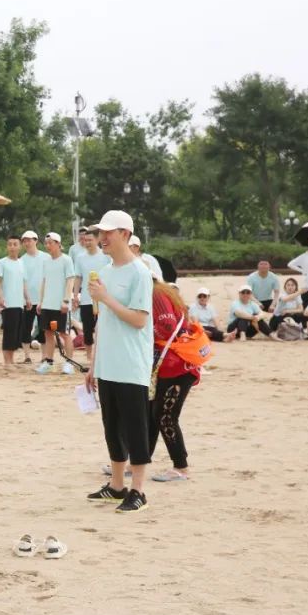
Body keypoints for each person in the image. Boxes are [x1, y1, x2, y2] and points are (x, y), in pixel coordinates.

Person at [84, 210, 153, 513]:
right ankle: (116, 485)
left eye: (108, 233)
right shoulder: (105, 271)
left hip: (131, 363)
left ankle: (138, 490)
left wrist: (107, 297)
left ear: (125, 234)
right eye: (100, 232)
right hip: (107, 363)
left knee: (135, 427)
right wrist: (93, 364)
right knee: (111, 426)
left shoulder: (140, 272)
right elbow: (102, 322)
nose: (102, 238)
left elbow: (139, 319)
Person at [149, 279, 201, 482]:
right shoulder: (163, 292)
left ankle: (181, 467)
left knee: (165, 415)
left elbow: (167, 325)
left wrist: (144, 332)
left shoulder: (155, 294)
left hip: (175, 365)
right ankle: (139, 460)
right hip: (175, 363)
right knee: (152, 412)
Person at [36, 232, 76, 375]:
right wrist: (41, 302)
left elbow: (70, 280)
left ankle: (69, 363)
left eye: (50, 243)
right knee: (48, 333)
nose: (48, 246)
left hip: (61, 305)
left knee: (64, 333)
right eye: (46, 243)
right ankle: (48, 362)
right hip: (48, 304)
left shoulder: (66, 260)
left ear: (58, 244)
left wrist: (66, 300)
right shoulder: (46, 261)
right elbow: (44, 281)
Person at [73, 229, 111, 362]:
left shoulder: (105, 256)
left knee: (102, 328)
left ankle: (101, 355)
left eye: (90, 240)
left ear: (97, 240)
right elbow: (78, 277)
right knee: (87, 328)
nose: (87, 242)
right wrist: (75, 295)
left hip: (103, 299)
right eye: (85, 240)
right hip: (86, 298)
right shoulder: (80, 257)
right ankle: (89, 356)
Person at [0, 235, 30, 365]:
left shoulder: (22, 263)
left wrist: (27, 298)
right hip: (8, 303)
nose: (12, 247)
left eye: (15, 244)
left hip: (19, 303)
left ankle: (11, 359)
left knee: (16, 333)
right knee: (9, 332)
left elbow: (24, 282)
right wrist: (1, 297)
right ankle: (7, 361)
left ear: (20, 246)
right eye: (10, 244)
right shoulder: (2, 262)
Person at [19, 230, 46, 351]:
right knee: (26, 327)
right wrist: (26, 298)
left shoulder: (46, 257)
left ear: (36, 241)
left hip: (43, 299)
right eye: (24, 241)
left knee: (43, 328)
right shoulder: (21, 260)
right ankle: (26, 356)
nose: (27, 243)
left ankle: (45, 356)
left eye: (29, 240)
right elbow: (21, 281)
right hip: (27, 300)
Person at [288, 238, 308, 307]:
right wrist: (302, 271)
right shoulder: (304, 256)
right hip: (307, 284)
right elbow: (290, 264)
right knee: (305, 305)